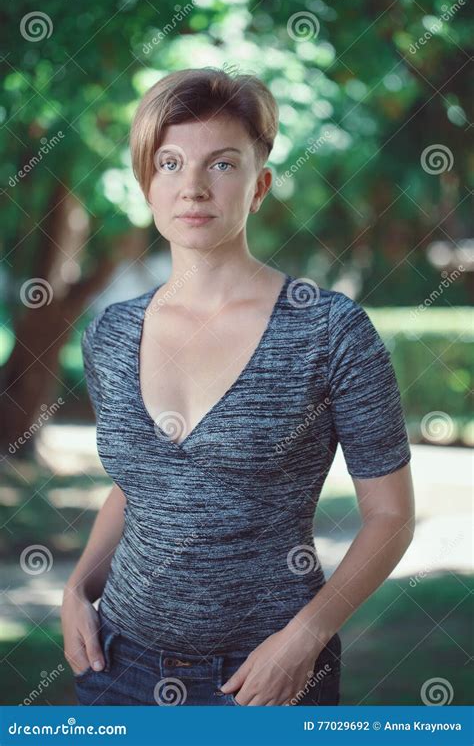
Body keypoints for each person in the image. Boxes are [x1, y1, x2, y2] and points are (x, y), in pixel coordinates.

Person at [61, 67, 415, 707]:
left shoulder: (329, 332)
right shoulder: (111, 334)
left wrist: (304, 639)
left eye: (222, 165)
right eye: (169, 163)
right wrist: (79, 587)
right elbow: (138, 482)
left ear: (260, 187)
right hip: (118, 665)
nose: (192, 187)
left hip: (265, 676)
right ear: (146, 183)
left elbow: (390, 518)